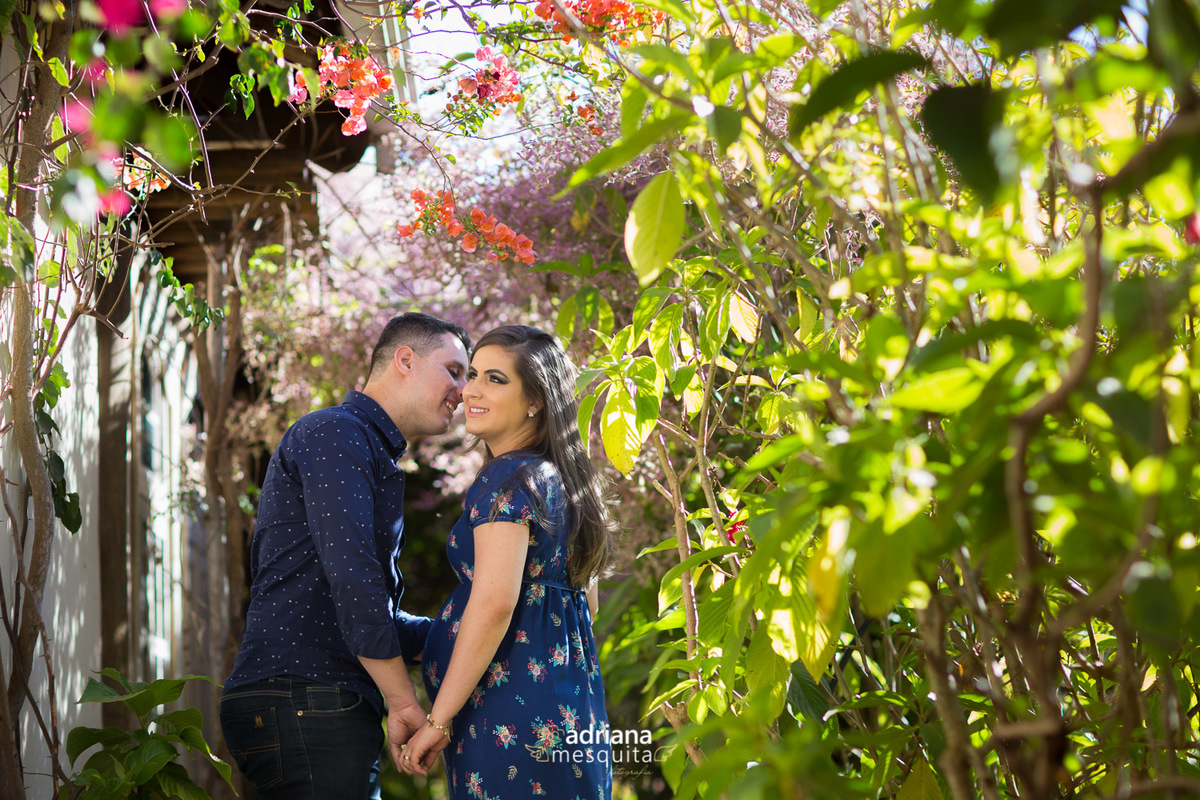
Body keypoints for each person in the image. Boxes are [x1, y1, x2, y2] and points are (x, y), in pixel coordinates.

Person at [219, 312, 471, 800]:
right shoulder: (337, 434)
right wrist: (403, 703)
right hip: (303, 697)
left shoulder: (365, 447)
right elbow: (356, 585)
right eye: (454, 370)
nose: (462, 391)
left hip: (313, 701)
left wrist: (467, 629)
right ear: (404, 359)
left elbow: (369, 611)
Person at [399, 325, 616, 799]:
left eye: (495, 379)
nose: (471, 389)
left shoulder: (508, 479)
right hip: (570, 709)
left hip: (510, 719)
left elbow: (495, 602)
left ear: (535, 400)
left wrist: (439, 718)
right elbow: (587, 606)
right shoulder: (567, 482)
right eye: (472, 374)